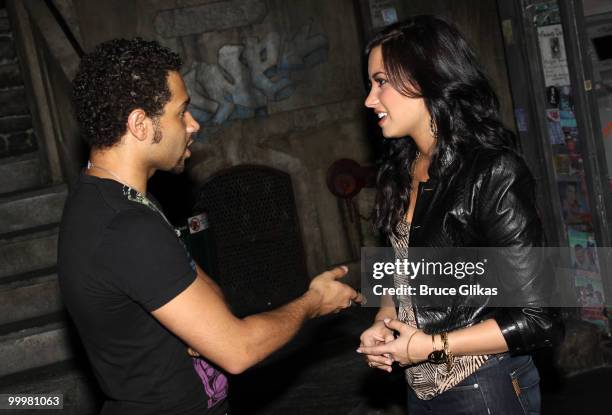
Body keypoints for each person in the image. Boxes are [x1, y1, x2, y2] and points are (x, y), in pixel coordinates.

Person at [58, 38, 363, 415]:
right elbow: (238, 350)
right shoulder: (125, 226)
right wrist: (314, 302)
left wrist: (208, 328)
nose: (193, 124)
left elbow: (210, 299)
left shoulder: (118, 199)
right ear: (140, 124)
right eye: (181, 112)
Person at [355, 16, 563, 414]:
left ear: (427, 78)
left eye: (380, 82)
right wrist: (384, 318)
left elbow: (540, 317)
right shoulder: (404, 166)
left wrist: (432, 346)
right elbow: (400, 265)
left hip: (485, 384)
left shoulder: (491, 170)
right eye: (370, 84)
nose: (369, 99)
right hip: (421, 386)